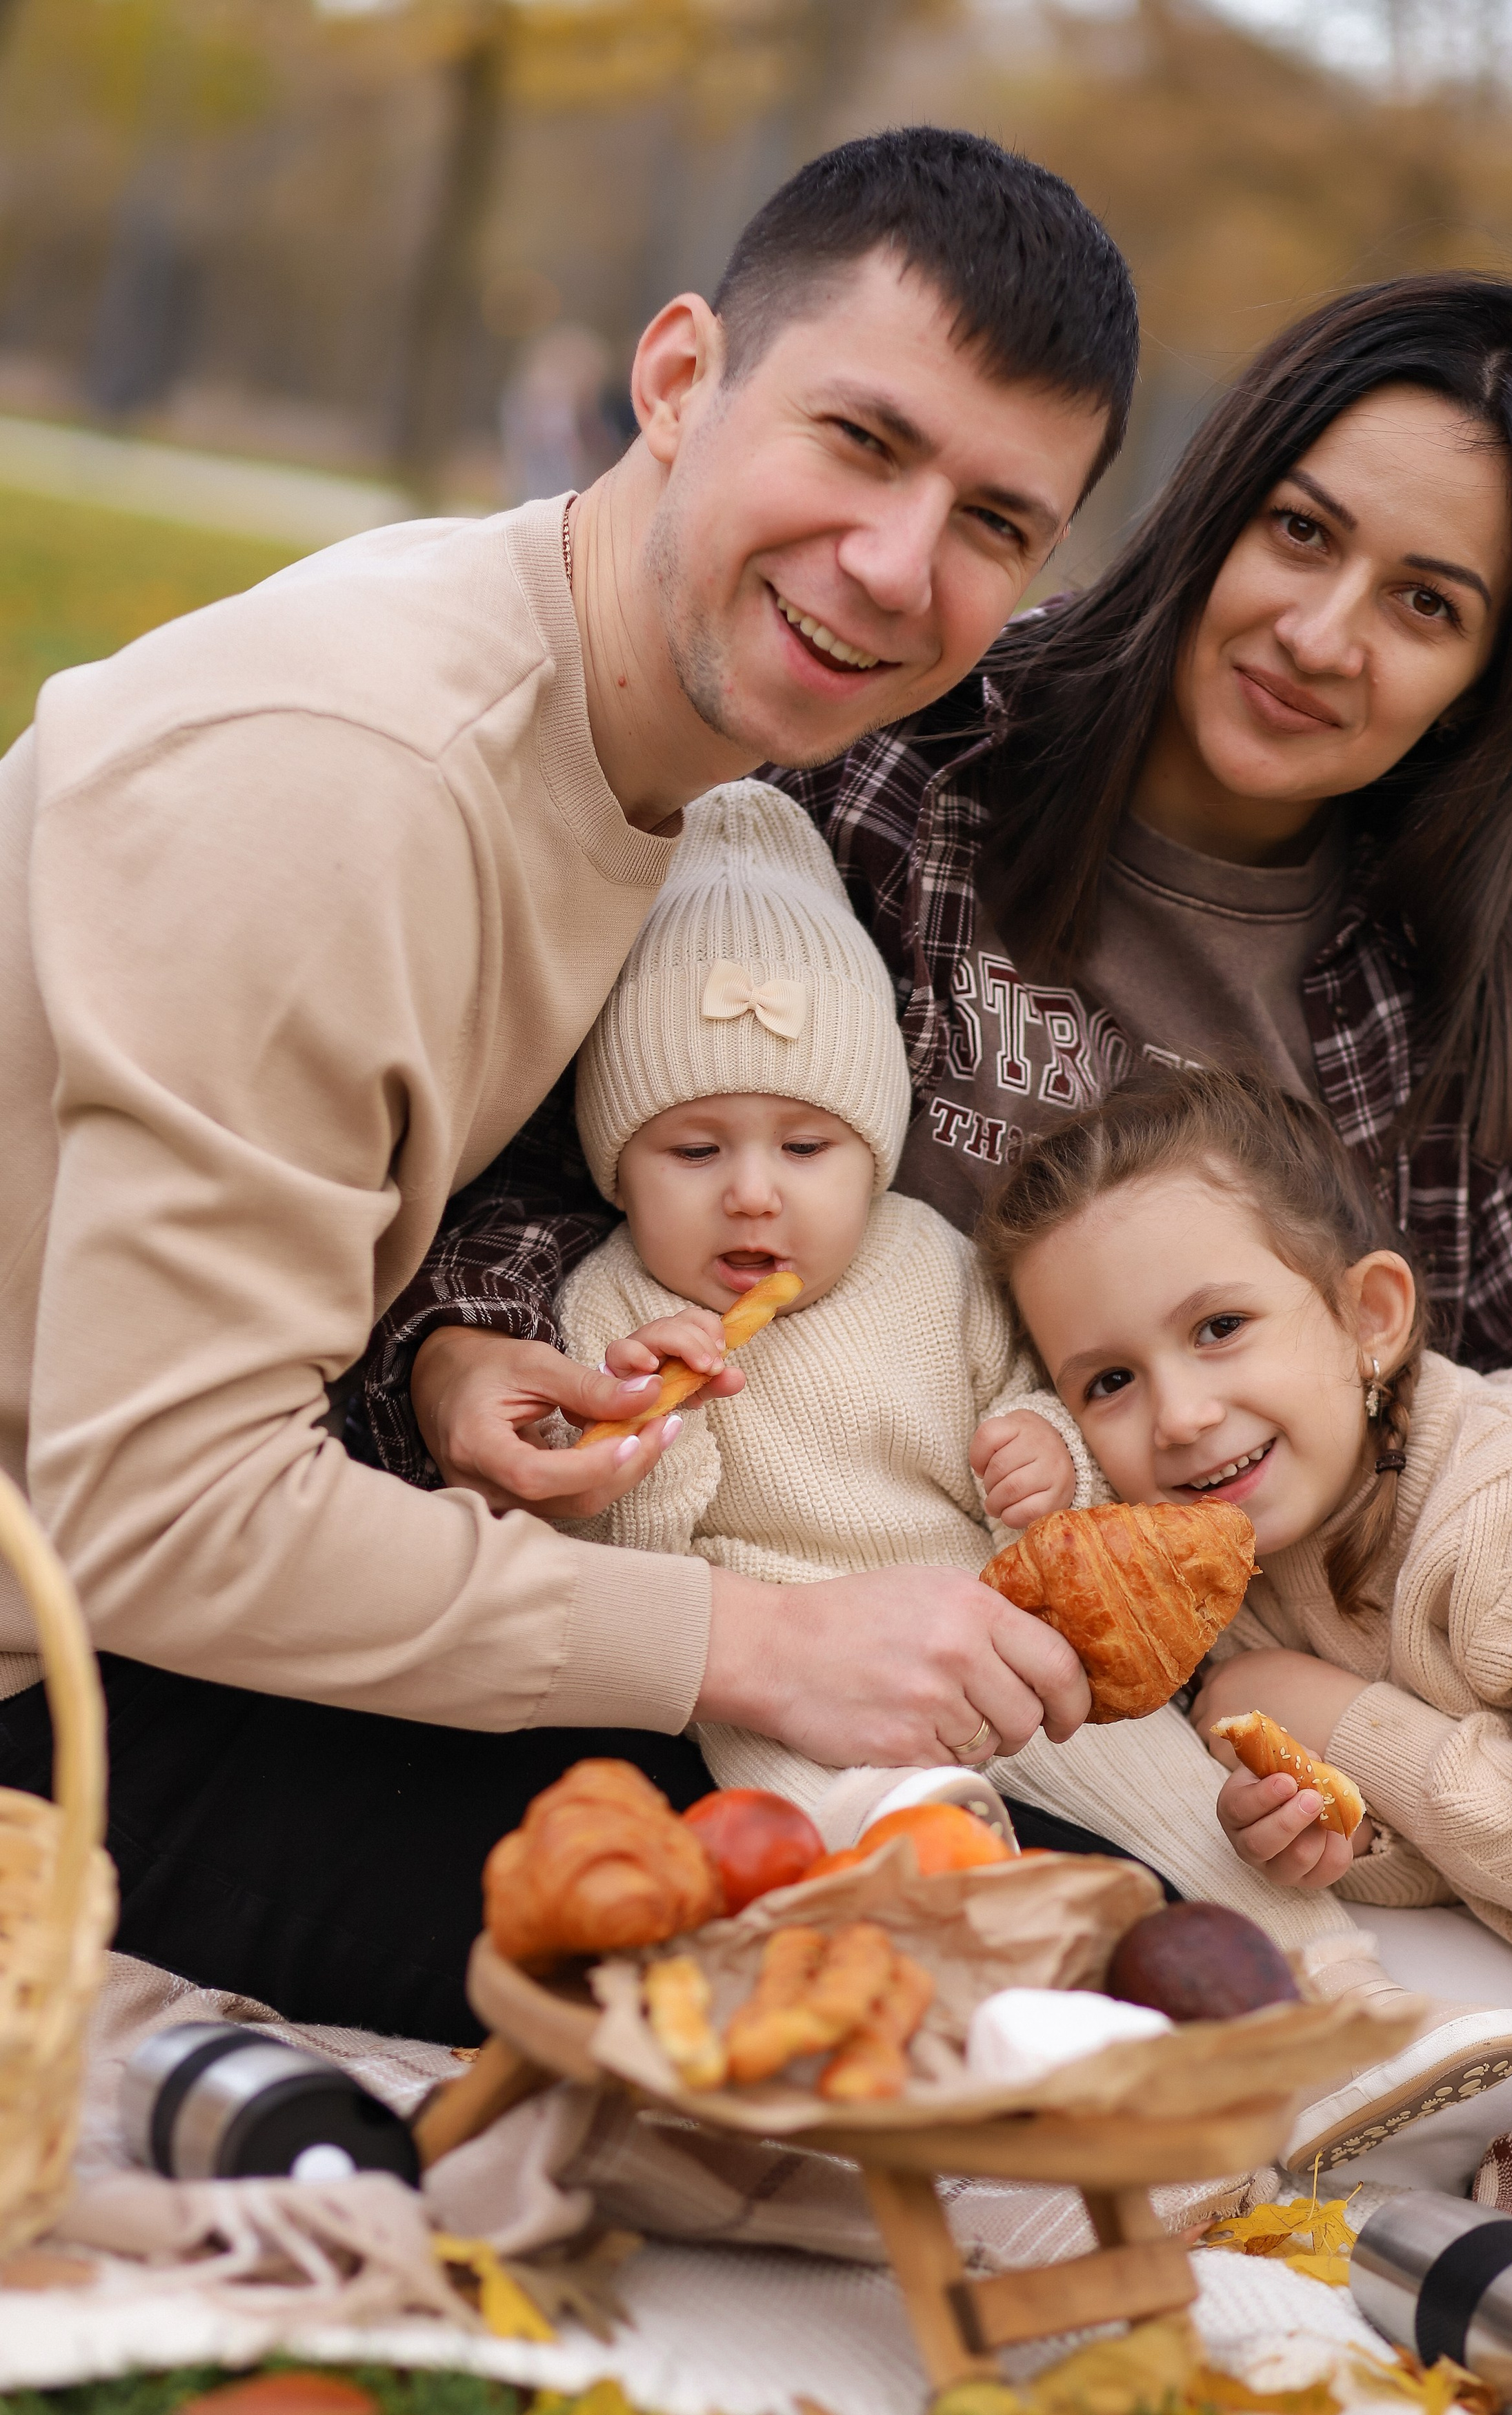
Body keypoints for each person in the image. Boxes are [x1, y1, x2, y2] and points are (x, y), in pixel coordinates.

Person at [0, 129, 1141, 2042]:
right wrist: (768, 1638)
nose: (894, 566)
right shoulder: (360, 776)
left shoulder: (639, 762)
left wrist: (448, 1365)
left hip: (106, 1600)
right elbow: (159, 1514)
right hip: (51, 1681)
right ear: (680, 374)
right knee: (870, 1991)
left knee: (1036, 1917)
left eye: (995, 524)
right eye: (862, 441)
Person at [389, 273, 1512, 1538]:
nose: (1317, 635)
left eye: (1422, 604)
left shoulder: (1460, 1020)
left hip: (1170, 1727)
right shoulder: (906, 758)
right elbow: (540, 1135)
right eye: (1298, 532)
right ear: (1211, 505)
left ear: (1483, 677)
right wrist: (459, 1346)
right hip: (721, 1553)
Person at [548, 778, 1512, 2175]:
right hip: (797, 1683)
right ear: (616, 1163)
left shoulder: (918, 1259)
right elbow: (638, 1559)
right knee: (892, 1845)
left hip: (1004, 1628)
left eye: (806, 1146)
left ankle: (1347, 2014)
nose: (753, 1193)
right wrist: (654, 1429)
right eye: (693, 1151)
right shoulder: (612, 1311)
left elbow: (1042, 1407)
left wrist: (1045, 1453)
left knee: (1173, 1792)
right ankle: (1053, 2066)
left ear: (872, 1142)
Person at [976, 1067, 1512, 2191]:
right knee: (1303, 2022)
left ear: (1369, 1320)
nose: (1183, 1414)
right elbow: (1489, 1846)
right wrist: (1342, 1834)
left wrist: (1343, 1723)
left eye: (1219, 1326)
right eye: (1110, 1379)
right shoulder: (1238, 1570)